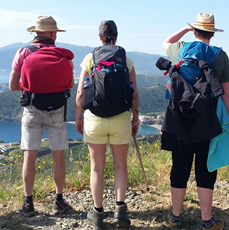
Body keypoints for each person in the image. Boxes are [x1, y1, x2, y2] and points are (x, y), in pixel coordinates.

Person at [161, 13, 229, 230]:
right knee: (205, 169)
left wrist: (185, 30)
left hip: (178, 117)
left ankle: (175, 218)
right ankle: (206, 221)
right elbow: (227, 94)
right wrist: (226, 120)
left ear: (194, 31)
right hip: (206, 118)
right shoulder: (219, 56)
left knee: (179, 167)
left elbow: (165, 42)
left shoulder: (180, 49)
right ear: (212, 33)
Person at [75, 20, 139, 229]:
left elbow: (80, 93)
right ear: (116, 36)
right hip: (121, 119)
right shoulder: (126, 60)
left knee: (97, 169)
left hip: (95, 119)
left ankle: (97, 213)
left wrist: (78, 118)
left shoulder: (90, 58)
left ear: (100, 36)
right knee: (121, 166)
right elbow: (134, 94)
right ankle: (120, 211)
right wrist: (135, 119)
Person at [9, 16, 74, 217]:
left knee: (30, 154)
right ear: (54, 34)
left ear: (35, 33)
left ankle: (28, 203)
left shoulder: (23, 52)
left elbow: (13, 85)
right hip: (56, 109)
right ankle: (58, 200)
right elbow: (70, 84)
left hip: (31, 108)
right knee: (58, 155)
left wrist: (29, 87)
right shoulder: (62, 55)